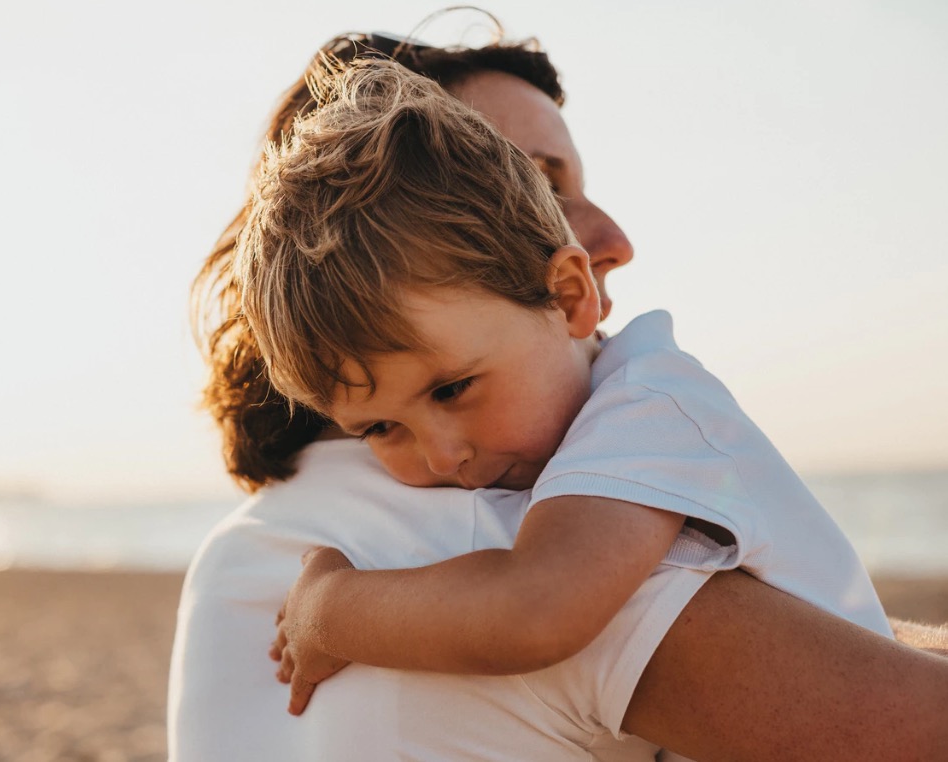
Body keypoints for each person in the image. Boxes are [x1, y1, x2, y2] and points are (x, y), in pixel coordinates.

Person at [170, 28, 948, 762]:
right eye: (531, 181)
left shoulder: (251, 547)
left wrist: (329, 608)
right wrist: (329, 609)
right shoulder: (490, 526)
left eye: (452, 389)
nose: (613, 237)